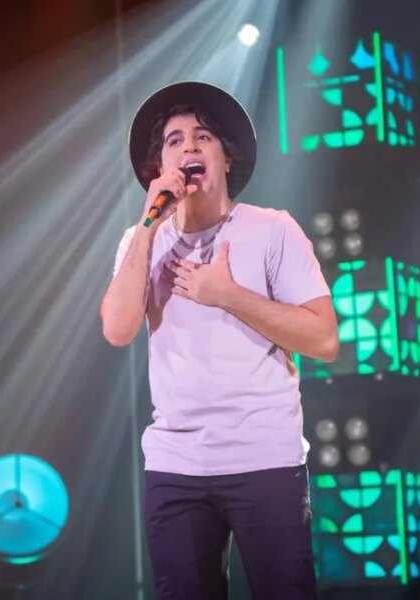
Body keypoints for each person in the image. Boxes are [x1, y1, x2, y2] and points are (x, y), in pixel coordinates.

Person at [100, 81, 339, 599]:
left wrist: (229, 296)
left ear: (225, 158)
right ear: (159, 166)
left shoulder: (272, 230)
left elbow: (324, 339)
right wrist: (148, 225)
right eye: (175, 140)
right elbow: (117, 329)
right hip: (176, 464)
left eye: (203, 136)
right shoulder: (141, 241)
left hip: (264, 457)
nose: (189, 146)